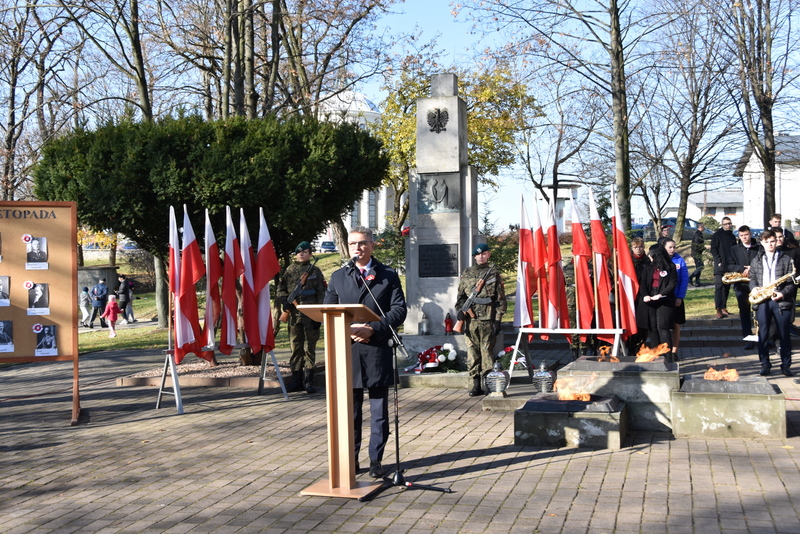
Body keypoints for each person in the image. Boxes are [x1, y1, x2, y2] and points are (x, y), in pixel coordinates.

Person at [323, 226, 407, 479]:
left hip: (376, 348)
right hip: (348, 350)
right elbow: (328, 309)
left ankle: (375, 460)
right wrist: (348, 330)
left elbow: (398, 309)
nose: (357, 248)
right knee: (351, 411)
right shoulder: (339, 276)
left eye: (362, 243)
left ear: (372, 245)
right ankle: (351, 458)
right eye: (352, 244)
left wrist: (373, 328)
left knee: (379, 410)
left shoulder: (388, 275)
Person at [455, 243, 507, 396]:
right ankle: (475, 384)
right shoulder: (467, 273)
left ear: (488, 255)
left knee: (487, 352)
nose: (481, 257)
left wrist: (498, 320)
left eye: (484, 254)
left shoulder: (493, 274)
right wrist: (461, 311)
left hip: (487, 319)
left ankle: (487, 384)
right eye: (478, 254)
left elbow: (500, 299)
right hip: (470, 321)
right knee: (472, 352)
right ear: (474, 257)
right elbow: (461, 297)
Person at [277, 241, 326, 394]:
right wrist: (285, 301)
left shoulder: (315, 271)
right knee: (295, 347)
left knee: (310, 347)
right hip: (294, 315)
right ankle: (296, 380)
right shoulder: (290, 269)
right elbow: (281, 288)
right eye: (299, 252)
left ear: (310, 254)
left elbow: (321, 292)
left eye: (305, 252)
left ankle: (309, 381)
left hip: (310, 314)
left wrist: (319, 315)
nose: (301, 254)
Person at [749, 230, 797, 376]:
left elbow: (792, 283)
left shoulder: (787, 259)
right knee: (763, 334)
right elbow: (752, 279)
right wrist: (754, 288)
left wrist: (783, 293)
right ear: (762, 243)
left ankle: (786, 366)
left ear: (776, 242)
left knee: (784, 334)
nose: (770, 244)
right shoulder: (756, 260)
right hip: (763, 300)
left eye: (772, 241)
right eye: (767, 242)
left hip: (781, 301)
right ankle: (765, 365)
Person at [636, 244, 677, 354]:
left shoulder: (670, 267)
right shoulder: (648, 267)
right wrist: (645, 295)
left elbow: (672, 283)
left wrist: (661, 294)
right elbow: (643, 283)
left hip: (664, 299)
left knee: (663, 327)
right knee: (652, 327)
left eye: (651, 253)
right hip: (650, 298)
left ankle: (667, 355)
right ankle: (656, 354)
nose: (649, 255)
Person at [730, 226, 762, 349]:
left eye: (746, 235)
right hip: (741, 285)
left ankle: (763, 338)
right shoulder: (734, 249)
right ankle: (748, 339)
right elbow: (729, 265)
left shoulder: (759, 248)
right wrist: (742, 268)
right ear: (739, 236)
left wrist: (752, 268)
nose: (744, 237)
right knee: (744, 313)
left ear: (751, 234)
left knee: (761, 312)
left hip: (758, 284)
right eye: (742, 235)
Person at [665, 239, 688, 360]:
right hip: (664, 297)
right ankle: (665, 350)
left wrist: (680, 297)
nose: (673, 249)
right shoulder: (661, 260)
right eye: (670, 247)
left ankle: (674, 351)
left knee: (676, 324)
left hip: (676, 297)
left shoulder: (680, 260)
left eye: (674, 247)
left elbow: (684, 280)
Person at [628, 237, 651, 355]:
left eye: (641, 247)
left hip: (643, 295)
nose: (638, 249)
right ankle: (630, 346)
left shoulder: (648, 261)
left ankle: (640, 345)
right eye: (636, 247)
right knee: (631, 321)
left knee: (642, 322)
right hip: (630, 294)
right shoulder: (628, 261)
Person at [711, 217, 737, 319]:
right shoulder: (717, 235)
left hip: (730, 265)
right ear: (722, 225)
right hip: (720, 265)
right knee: (719, 286)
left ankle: (724, 307)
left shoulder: (732, 236)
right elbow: (714, 249)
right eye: (725, 224)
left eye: (729, 223)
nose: (728, 225)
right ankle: (718, 308)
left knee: (726, 287)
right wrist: (718, 261)